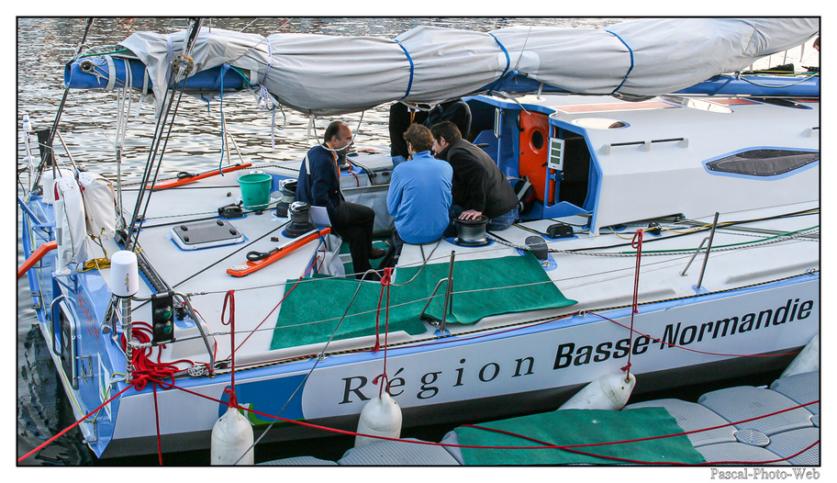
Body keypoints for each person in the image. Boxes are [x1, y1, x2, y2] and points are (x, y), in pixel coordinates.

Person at [296, 120, 385, 279]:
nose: (350, 143)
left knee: (357, 233)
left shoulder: (317, 151)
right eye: (347, 139)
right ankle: (369, 250)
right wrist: (336, 220)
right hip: (326, 212)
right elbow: (319, 197)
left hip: (314, 208)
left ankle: (363, 272)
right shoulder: (325, 161)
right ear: (334, 140)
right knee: (368, 214)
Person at [430, 121, 518, 231]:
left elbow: (479, 173)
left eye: (433, 143)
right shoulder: (464, 146)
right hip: (508, 209)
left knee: (440, 221)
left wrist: (476, 208)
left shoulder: (456, 154)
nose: (433, 148)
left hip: (498, 217)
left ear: (442, 140)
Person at [384, 124, 452, 266]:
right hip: (439, 230)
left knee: (397, 231)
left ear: (410, 146)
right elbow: (447, 201)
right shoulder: (446, 167)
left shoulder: (401, 169)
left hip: (409, 234)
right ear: (431, 144)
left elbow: (392, 209)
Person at [389, 99, 472, 165]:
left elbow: (427, 130)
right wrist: (408, 154)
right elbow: (395, 136)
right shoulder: (396, 108)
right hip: (401, 151)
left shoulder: (425, 108)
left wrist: (416, 153)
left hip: (418, 150)